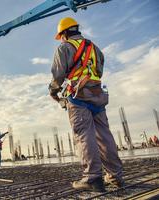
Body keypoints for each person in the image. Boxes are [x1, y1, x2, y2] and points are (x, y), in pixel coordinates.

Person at [49, 17, 124, 192]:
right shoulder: (95, 49)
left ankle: (93, 178)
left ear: (65, 33)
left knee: (84, 135)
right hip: (97, 95)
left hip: (78, 97)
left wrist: (53, 91)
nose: (61, 39)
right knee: (105, 136)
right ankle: (116, 176)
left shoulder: (65, 48)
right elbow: (98, 72)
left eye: (61, 35)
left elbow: (58, 76)